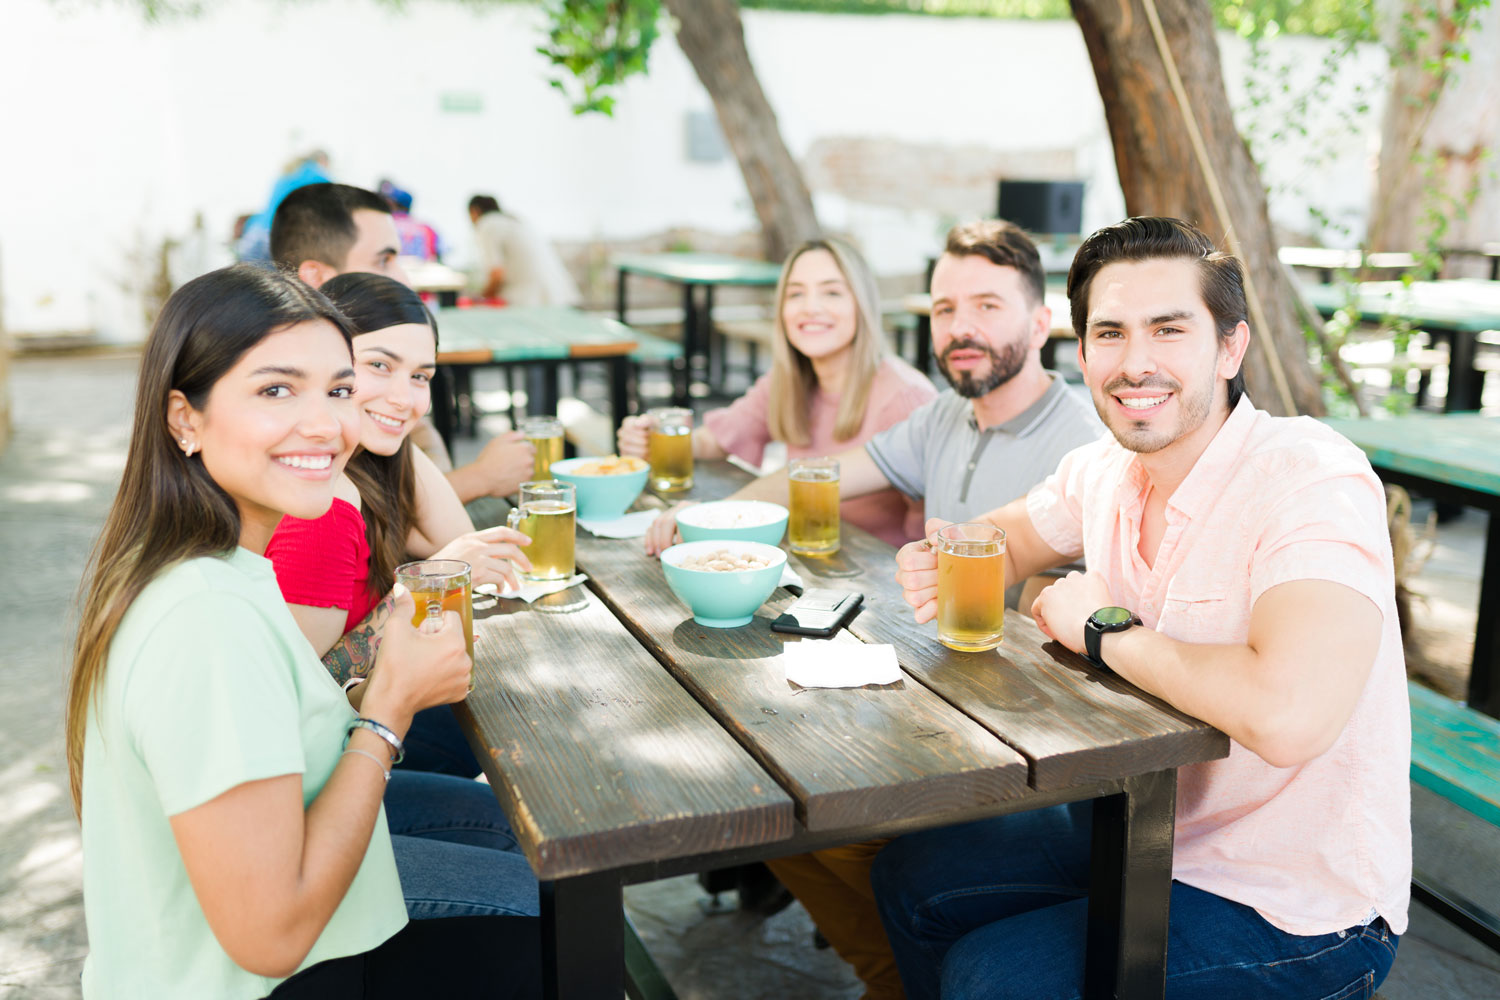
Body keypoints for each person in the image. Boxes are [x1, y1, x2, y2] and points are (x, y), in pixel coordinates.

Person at [875, 217, 1410, 999]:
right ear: (1082, 355)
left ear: (1230, 348)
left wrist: (1104, 629)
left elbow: (1291, 717)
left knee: (993, 977)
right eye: (1110, 334)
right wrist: (948, 552)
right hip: (1140, 831)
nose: (1136, 364)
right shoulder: (1106, 469)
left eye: (1168, 330)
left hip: (1295, 904)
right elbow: (1007, 538)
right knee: (914, 874)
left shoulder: (1310, 478)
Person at [640, 220, 1102, 1000]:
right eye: (945, 308)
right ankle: (892, 979)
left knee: (834, 829)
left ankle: (902, 977)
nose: (961, 327)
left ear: (1041, 323)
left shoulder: (1082, 445)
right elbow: (817, 473)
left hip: (1018, 735)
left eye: (987, 306)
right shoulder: (945, 417)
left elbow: (1065, 631)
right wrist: (713, 524)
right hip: (925, 687)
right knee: (768, 805)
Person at [67, 264, 539, 999]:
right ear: (183, 418)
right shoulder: (204, 618)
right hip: (254, 978)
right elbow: (273, 935)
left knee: (538, 872)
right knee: (549, 913)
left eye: (340, 389)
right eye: (276, 389)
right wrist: (389, 710)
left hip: (282, 938)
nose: (326, 425)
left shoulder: (214, 564)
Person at [267, 272, 534, 777]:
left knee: (533, 723)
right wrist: (428, 583)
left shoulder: (364, 465)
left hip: (364, 734)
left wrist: (389, 419)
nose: (406, 395)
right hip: (327, 770)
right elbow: (303, 694)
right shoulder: (321, 510)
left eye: (421, 376)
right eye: (379, 365)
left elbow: (453, 535)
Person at [620, 237, 937, 548]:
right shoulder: (788, 380)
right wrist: (650, 440)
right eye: (796, 294)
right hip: (801, 556)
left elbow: (928, 529)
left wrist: (715, 515)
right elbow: (714, 440)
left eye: (832, 292)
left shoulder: (906, 397)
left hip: (876, 579)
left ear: (862, 305)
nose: (810, 308)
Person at [271, 182, 535, 504]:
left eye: (420, 376)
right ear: (315, 278)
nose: (405, 280)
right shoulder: (294, 413)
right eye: (384, 261)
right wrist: (480, 477)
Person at [468, 194, 581, 307]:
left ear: (475, 211)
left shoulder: (487, 224)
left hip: (529, 301)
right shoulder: (516, 222)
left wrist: (480, 299)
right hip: (560, 296)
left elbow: (497, 275)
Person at [236, 149, 332, 263]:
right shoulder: (315, 174)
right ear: (322, 161)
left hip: (254, 235)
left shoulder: (288, 173)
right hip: (276, 239)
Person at [380, 179, 442, 262]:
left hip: (393, 272)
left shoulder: (383, 225)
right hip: (422, 272)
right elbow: (439, 254)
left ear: (392, 204)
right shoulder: (426, 228)